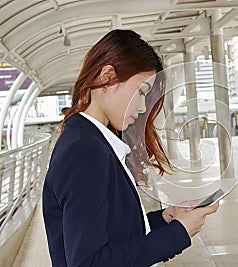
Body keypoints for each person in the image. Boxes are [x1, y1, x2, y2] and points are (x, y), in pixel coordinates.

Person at [42, 29, 219, 267]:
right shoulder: (85, 151)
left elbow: (109, 231)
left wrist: (166, 219)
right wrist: (178, 234)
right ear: (107, 76)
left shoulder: (89, 140)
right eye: (142, 92)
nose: (144, 106)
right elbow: (89, 262)